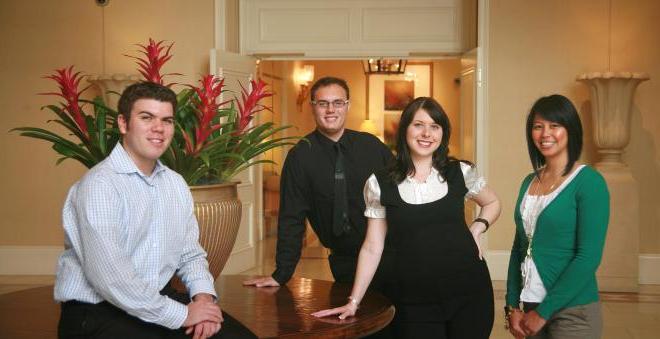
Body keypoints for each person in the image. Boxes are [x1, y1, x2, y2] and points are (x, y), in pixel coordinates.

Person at [54, 82, 250, 339]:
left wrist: (204, 300)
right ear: (123, 124)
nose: (159, 128)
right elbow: (113, 279)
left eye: (166, 120)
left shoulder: (175, 183)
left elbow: (190, 253)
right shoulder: (99, 185)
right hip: (98, 312)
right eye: (146, 117)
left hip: (156, 300)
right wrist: (183, 315)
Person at [312, 97, 501, 339]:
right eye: (418, 125)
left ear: (443, 133)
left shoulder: (461, 173)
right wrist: (354, 301)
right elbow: (372, 246)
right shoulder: (379, 183)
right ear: (405, 130)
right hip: (414, 301)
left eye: (435, 126)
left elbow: (493, 202)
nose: (427, 133)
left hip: (470, 292)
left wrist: (477, 228)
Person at [243, 77, 393, 288]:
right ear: (313, 107)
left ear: (347, 105)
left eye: (338, 103)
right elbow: (291, 218)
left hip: (392, 253)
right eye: (323, 103)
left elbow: (401, 193)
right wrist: (282, 273)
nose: (331, 110)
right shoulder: (300, 157)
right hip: (344, 262)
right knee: (356, 316)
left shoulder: (372, 147)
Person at [504, 94, 610, 339]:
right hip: (530, 307)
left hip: (573, 311)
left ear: (570, 130)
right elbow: (518, 248)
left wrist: (544, 312)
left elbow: (588, 258)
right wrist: (512, 307)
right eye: (538, 126)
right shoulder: (528, 182)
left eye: (555, 125)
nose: (545, 134)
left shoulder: (589, 182)